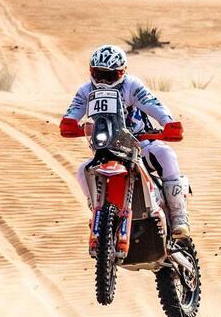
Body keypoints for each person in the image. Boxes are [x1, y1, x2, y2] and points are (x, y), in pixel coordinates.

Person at [59, 44, 190, 239]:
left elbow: (152, 103)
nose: (104, 80)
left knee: (165, 154)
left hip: (140, 144)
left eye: (110, 75)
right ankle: (98, 212)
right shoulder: (86, 90)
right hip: (107, 148)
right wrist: (69, 123)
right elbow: (73, 111)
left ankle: (179, 216)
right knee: (82, 171)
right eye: (99, 74)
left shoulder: (131, 85)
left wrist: (168, 122)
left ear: (122, 72)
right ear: (91, 72)